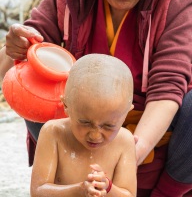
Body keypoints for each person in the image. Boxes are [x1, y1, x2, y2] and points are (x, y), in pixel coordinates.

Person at [0, 0, 192, 196]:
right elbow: (12, 72)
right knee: (36, 79)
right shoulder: (68, 1)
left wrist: (126, 158)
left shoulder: (178, 4)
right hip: (78, 141)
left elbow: (167, 89)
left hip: (152, 143)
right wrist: (15, 49)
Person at [30, 53, 137, 197]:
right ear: (66, 105)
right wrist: (79, 190)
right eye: (85, 122)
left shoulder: (124, 141)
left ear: (126, 114)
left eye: (108, 126)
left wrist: (108, 187)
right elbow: (38, 191)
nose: (95, 135)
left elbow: (129, 195)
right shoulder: (53, 133)